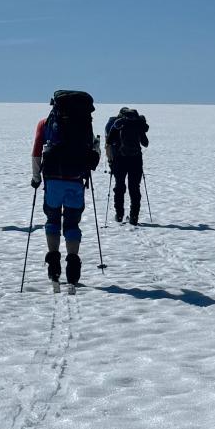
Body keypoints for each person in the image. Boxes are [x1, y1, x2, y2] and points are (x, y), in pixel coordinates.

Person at [30, 90, 101, 290]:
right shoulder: (85, 123)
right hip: (76, 179)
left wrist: (36, 177)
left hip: (52, 179)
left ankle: (54, 266)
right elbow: (93, 150)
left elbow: (36, 151)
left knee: (52, 220)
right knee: (71, 224)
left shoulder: (45, 123)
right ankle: (73, 267)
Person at [104, 107, 150, 225]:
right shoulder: (137, 123)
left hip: (120, 160)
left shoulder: (119, 123)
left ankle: (119, 215)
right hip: (136, 160)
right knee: (134, 188)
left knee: (119, 187)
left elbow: (109, 141)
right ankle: (134, 217)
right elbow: (145, 143)